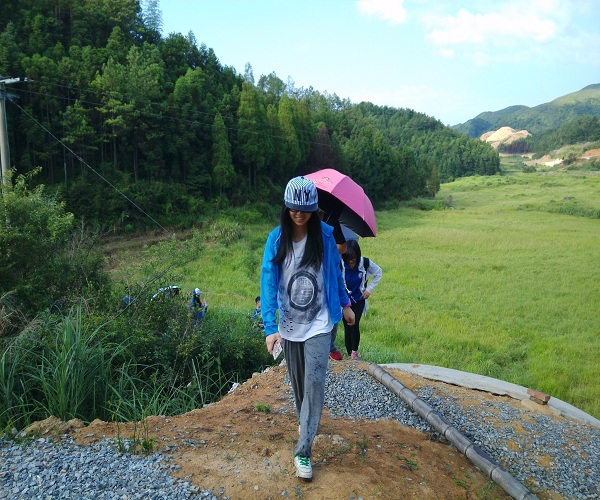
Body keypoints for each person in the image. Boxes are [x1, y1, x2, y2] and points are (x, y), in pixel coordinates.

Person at [260, 176, 355, 481]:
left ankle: (303, 450)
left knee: (314, 381)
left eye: (304, 210)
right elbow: (268, 283)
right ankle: (307, 421)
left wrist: (345, 304)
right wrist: (270, 327)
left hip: (320, 323)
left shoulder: (325, 236)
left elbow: (335, 274)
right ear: (286, 208)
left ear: (313, 210)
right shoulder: (276, 240)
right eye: (293, 209)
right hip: (289, 326)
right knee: (299, 385)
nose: (298, 214)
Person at [342, 239, 382, 359]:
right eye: (348, 261)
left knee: (354, 324)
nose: (351, 263)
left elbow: (378, 272)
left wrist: (368, 290)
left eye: (353, 260)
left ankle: (354, 352)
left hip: (359, 300)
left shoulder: (365, 263)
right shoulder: (340, 264)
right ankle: (349, 352)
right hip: (344, 301)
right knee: (347, 326)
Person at [318, 208, 346, 361]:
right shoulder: (300, 221)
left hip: (330, 273)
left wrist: (328, 246)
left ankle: (331, 346)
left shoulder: (331, 221)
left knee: (333, 308)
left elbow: (343, 246)